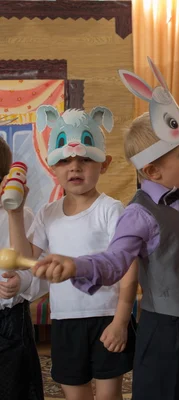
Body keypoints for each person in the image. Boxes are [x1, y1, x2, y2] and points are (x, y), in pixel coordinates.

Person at [31, 58, 179, 400]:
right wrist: (76, 265)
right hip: (167, 333)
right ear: (154, 171)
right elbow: (114, 261)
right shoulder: (137, 215)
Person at [6, 106, 137, 400]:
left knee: (107, 397)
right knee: (75, 395)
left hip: (107, 317)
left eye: (84, 159)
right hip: (64, 320)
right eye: (65, 161)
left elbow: (129, 267)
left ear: (104, 164)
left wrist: (121, 321)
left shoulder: (111, 209)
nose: (74, 167)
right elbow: (26, 257)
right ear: (54, 168)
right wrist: (14, 213)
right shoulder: (46, 214)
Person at [0, 137, 45, 400]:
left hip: (10, 322)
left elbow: (31, 267)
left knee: (14, 388)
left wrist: (22, 283)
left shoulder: (22, 215)